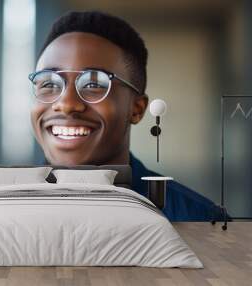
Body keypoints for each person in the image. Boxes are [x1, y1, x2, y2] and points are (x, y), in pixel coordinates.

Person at [29, 11, 223, 221]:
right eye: (49, 83)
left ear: (136, 109)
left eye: (94, 84)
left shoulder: (200, 221)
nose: (66, 104)